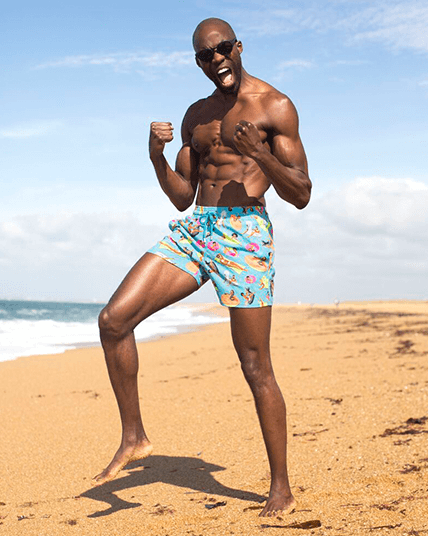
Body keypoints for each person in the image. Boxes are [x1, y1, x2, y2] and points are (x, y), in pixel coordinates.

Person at [93, 17, 311, 517]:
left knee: (256, 365)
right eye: (203, 56)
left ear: (238, 47)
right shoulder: (197, 114)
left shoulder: (274, 106)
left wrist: (261, 155)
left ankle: (281, 486)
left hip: (245, 233)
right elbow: (181, 197)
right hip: (198, 228)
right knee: (113, 321)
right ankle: (135, 437)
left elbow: (301, 193)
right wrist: (156, 157)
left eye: (221, 50)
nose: (215, 61)